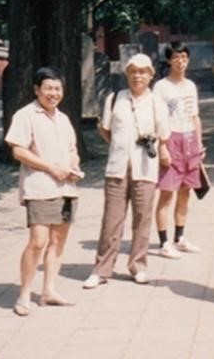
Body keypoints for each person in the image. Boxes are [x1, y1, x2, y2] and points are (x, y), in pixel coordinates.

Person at [83, 53, 170, 289]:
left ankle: (138, 266)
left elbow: (164, 135)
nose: (137, 76)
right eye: (133, 71)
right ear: (126, 74)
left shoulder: (157, 103)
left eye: (142, 72)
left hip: (145, 168)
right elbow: (106, 130)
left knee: (142, 219)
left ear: (151, 75)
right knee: (111, 220)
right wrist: (120, 146)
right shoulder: (115, 99)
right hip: (117, 167)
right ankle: (102, 269)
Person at [5, 67, 83, 317]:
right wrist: (51, 168)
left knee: (58, 242)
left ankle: (49, 290)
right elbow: (19, 151)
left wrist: (74, 166)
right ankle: (24, 294)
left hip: (66, 188)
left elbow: (72, 150)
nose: (53, 93)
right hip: (39, 187)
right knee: (38, 242)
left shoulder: (63, 119)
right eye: (48, 88)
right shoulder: (25, 115)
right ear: (37, 90)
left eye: (57, 89)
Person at [154, 42, 204, 259]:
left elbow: (195, 116)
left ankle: (180, 237)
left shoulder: (190, 86)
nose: (180, 61)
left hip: (189, 138)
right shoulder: (161, 87)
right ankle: (164, 242)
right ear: (169, 60)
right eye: (176, 57)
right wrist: (162, 147)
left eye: (183, 57)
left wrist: (199, 144)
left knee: (185, 192)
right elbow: (157, 120)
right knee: (167, 193)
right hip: (171, 138)